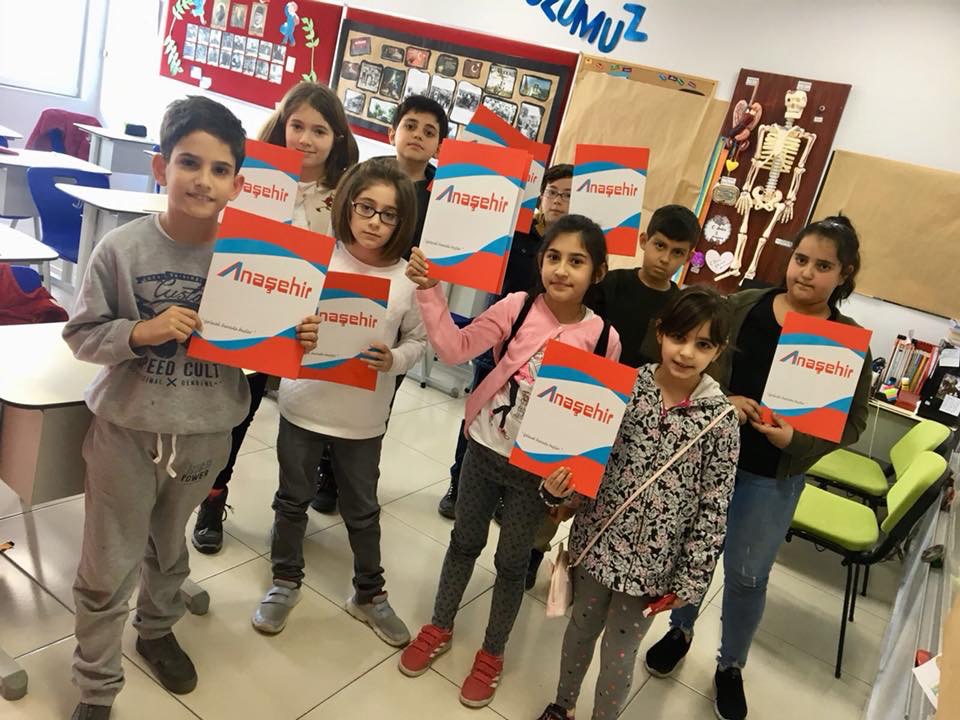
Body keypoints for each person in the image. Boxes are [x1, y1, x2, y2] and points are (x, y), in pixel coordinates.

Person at [63, 96, 320, 720]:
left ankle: (155, 630)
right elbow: (81, 335)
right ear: (161, 167)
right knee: (108, 561)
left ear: (238, 183)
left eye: (220, 169)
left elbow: (264, 346)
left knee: (169, 547)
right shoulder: (121, 249)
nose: (204, 180)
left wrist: (295, 337)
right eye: (189, 163)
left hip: (206, 431)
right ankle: (97, 685)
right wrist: (141, 332)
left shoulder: (253, 260)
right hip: (126, 433)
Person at [644, 216, 871, 720]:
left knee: (747, 576)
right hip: (708, 463)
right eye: (801, 259)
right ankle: (680, 631)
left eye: (823, 266)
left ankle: (730, 665)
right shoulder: (743, 305)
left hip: (771, 477)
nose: (806, 273)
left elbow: (853, 422)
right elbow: (697, 366)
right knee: (695, 555)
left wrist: (798, 440)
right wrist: (725, 399)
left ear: (844, 273)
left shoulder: (847, 340)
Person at [399, 215, 622, 708]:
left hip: (535, 474)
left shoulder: (604, 338)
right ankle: (439, 624)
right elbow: (454, 348)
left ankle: (492, 652)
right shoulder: (517, 306)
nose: (561, 269)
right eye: (553, 257)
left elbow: (592, 420)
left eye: (577, 261)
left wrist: (573, 487)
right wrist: (431, 291)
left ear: (599, 272)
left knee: (512, 563)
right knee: (463, 542)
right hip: (484, 448)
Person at [535, 285, 740, 720]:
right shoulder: (622, 388)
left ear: (718, 350)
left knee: (619, 654)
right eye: (679, 337)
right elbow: (587, 462)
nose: (686, 353)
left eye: (703, 344)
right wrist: (557, 490)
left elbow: (714, 508)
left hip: (653, 569)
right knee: (579, 632)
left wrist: (691, 579)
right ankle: (563, 705)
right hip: (597, 545)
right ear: (660, 332)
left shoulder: (722, 422)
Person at [251, 158, 426, 647]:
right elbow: (279, 323)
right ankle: (285, 580)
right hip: (303, 405)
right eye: (365, 207)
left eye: (388, 214)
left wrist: (393, 359)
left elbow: (418, 341)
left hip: (363, 418)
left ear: (402, 222)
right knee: (292, 499)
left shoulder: (408, 280)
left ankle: (369, 593)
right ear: (347, 205)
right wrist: (296, 334)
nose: (374, 222)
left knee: (363, 509)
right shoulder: (316, 260)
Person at [192, 81, 358, 555]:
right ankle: (203, 493)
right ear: (282, 124)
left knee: (252, 417)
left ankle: (236, 501)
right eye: (296, 125)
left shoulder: (345, 193)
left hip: (293, 325)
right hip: (233, 308)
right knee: (216, 411)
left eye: (319, 131)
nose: (305, 139)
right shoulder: (250, 172)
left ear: (337, 137)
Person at [518, 203, 702, 590]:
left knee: (604, 495)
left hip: (640, 418)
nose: (665, 258)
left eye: (677, 252)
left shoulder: (679, 307)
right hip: (585, 403)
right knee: (560, 485)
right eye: (659, 245)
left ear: (688, 258)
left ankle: (587, 567)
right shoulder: (610, 285)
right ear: (644, 241)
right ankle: (531, 553)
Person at [311, 94, 448, 515]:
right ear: (393, 132)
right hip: (349, 294)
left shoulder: (446, 195)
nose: (418, 136)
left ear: (439, 144)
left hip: (402, 305)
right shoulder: (365, 176)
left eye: (429, 131)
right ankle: (324, 472)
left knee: (378, 390)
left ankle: (350, 474)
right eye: (411, 126)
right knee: (332, 379)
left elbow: (454, 256)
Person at [437, 163, 575, 521]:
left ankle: (505, 497)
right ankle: (458, 484)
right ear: (541, 196)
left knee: (524, 424)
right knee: (479, 418)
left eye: (568, 195)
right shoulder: (516, 234)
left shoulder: (579, 251)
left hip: (546, 355)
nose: (558, 201)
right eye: (553, 192)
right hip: (501, 340)